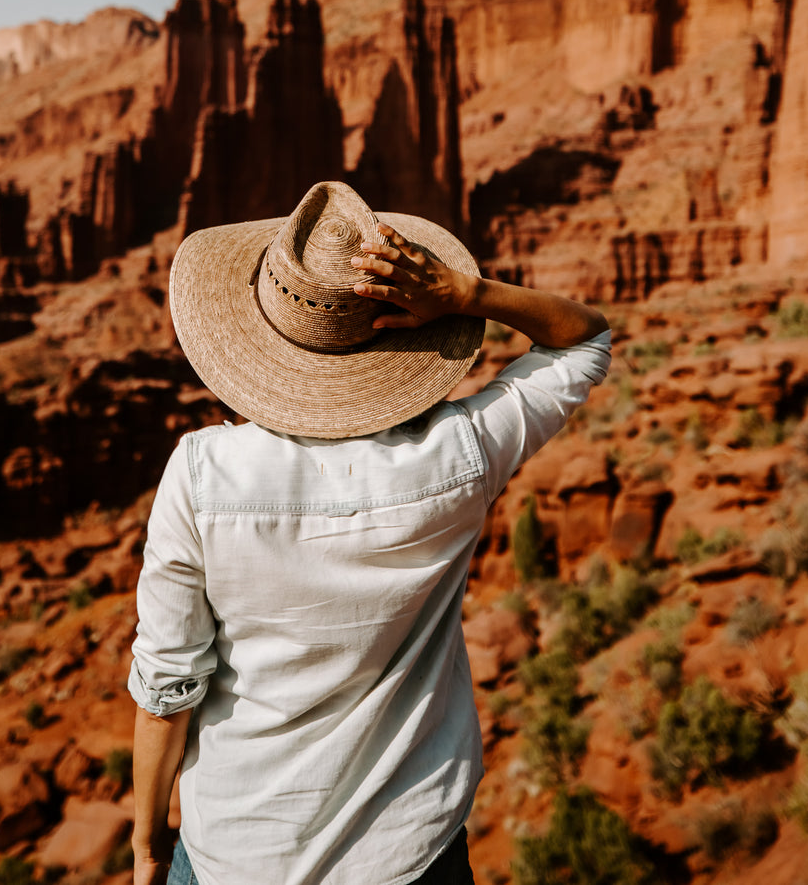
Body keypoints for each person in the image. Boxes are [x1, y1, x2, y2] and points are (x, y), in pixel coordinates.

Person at [128, 180, 610, 885]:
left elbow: (168, 691)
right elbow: (584, 340)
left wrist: (146, 842)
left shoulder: (204, 475)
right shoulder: (462, 452)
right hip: (410, 856)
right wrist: (467, 297)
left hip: (236, 854)